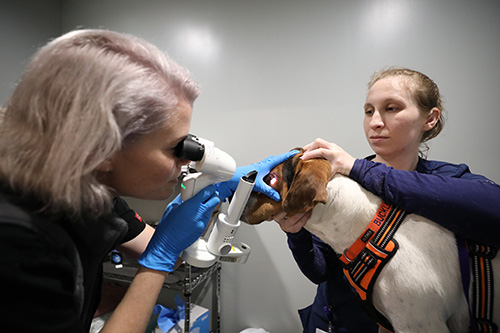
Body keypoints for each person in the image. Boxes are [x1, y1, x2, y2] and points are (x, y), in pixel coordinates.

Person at [0, 29, 295, 332]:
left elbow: (165, 253)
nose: (188, 161)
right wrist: (159, 261)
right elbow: (160, 257)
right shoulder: (16, 242)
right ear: (100, 147)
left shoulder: (94, 192)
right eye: (176, 148)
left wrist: (212, 186)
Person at [272, 67, 500, 332]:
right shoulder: (343, 186)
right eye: (369, 111)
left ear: (430, 118)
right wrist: (296, 233)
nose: (375, 122)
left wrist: (359, 168)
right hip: (342, 323)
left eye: (391, 108)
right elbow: (320, 271)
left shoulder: (448, 179)